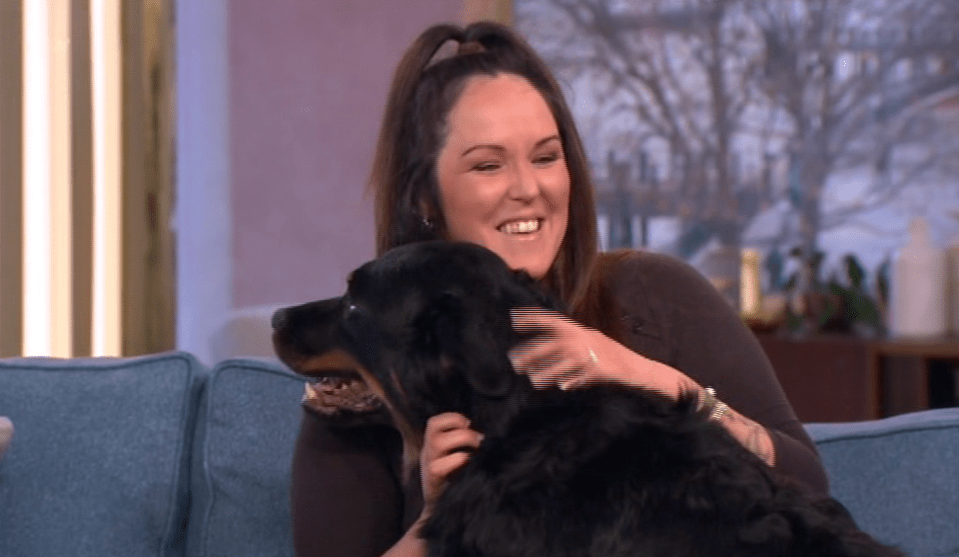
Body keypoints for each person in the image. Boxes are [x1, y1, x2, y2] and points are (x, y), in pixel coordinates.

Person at [289, 20, 829, 557]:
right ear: (425, 200)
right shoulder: (357, 381)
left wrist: (656, 381)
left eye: (546, 157)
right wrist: (441, 522)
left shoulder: (657, 296)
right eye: (488, 165)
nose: (529, 189)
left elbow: (809, 490)